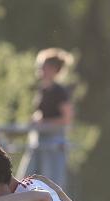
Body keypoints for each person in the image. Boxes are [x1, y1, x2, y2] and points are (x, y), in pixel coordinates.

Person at [30, 48, 74, 186]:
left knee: (51, 184)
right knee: (29, 179)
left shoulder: (59, 91)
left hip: (53, 143)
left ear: (53, 69)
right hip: (40, 141)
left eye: (43, 66)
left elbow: (66, 119)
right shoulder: (42, 90)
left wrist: (45, 122)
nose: (40, 69)